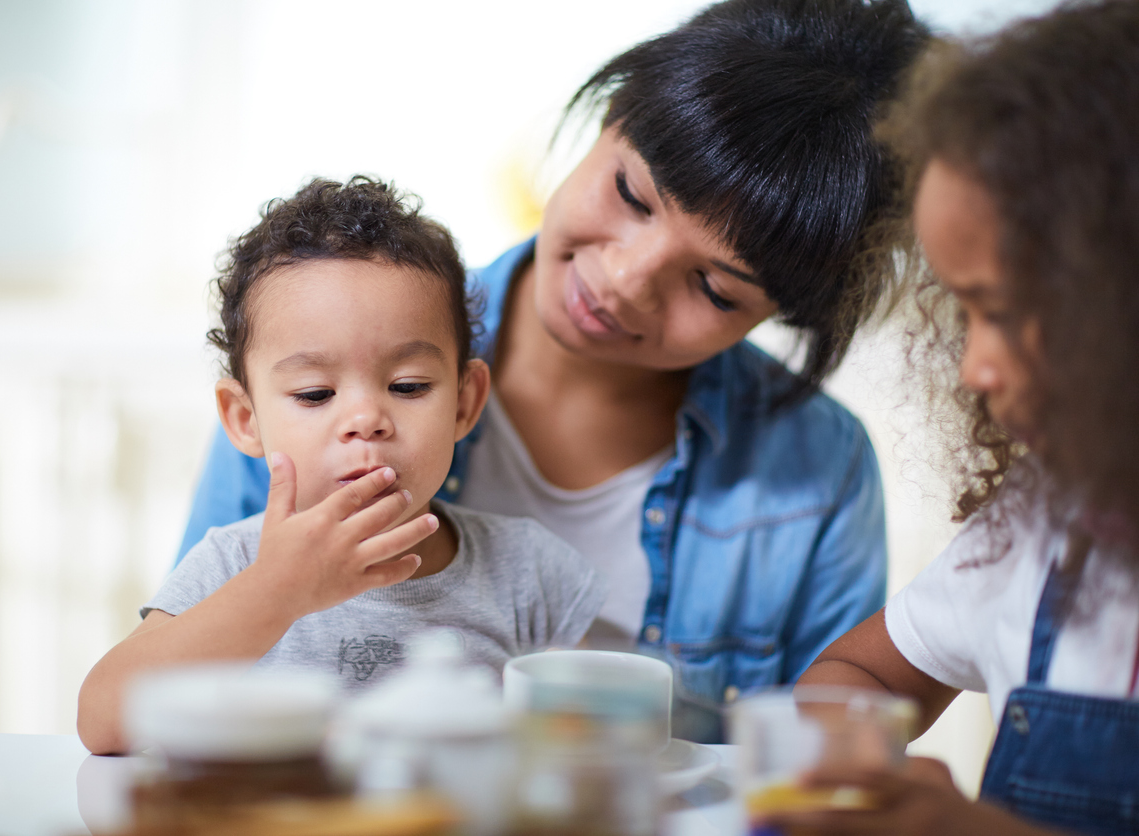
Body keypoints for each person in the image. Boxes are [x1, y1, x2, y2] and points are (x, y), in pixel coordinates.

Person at [180, 0, 932, 708]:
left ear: (781, 312)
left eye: (713, 286)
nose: (626, 280)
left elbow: (819, 761)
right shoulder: (321, 366)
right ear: (610, 117)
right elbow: (181, 685)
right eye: (633, 196)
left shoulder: (818, 470)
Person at [77, 177, 605, 755]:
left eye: (407, 385)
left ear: (464, 402)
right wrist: (275, 592)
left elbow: (590, 747)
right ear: (245, 419)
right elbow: (102, 722)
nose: (366, 419)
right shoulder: (234, 565)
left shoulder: (527, 571)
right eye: (313, 393)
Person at [775, 2, 1139, 834]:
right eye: (962, 311)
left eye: (1004, 309)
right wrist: (867, 768)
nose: (974, 367)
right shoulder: (1047, 522)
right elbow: (856, 672)